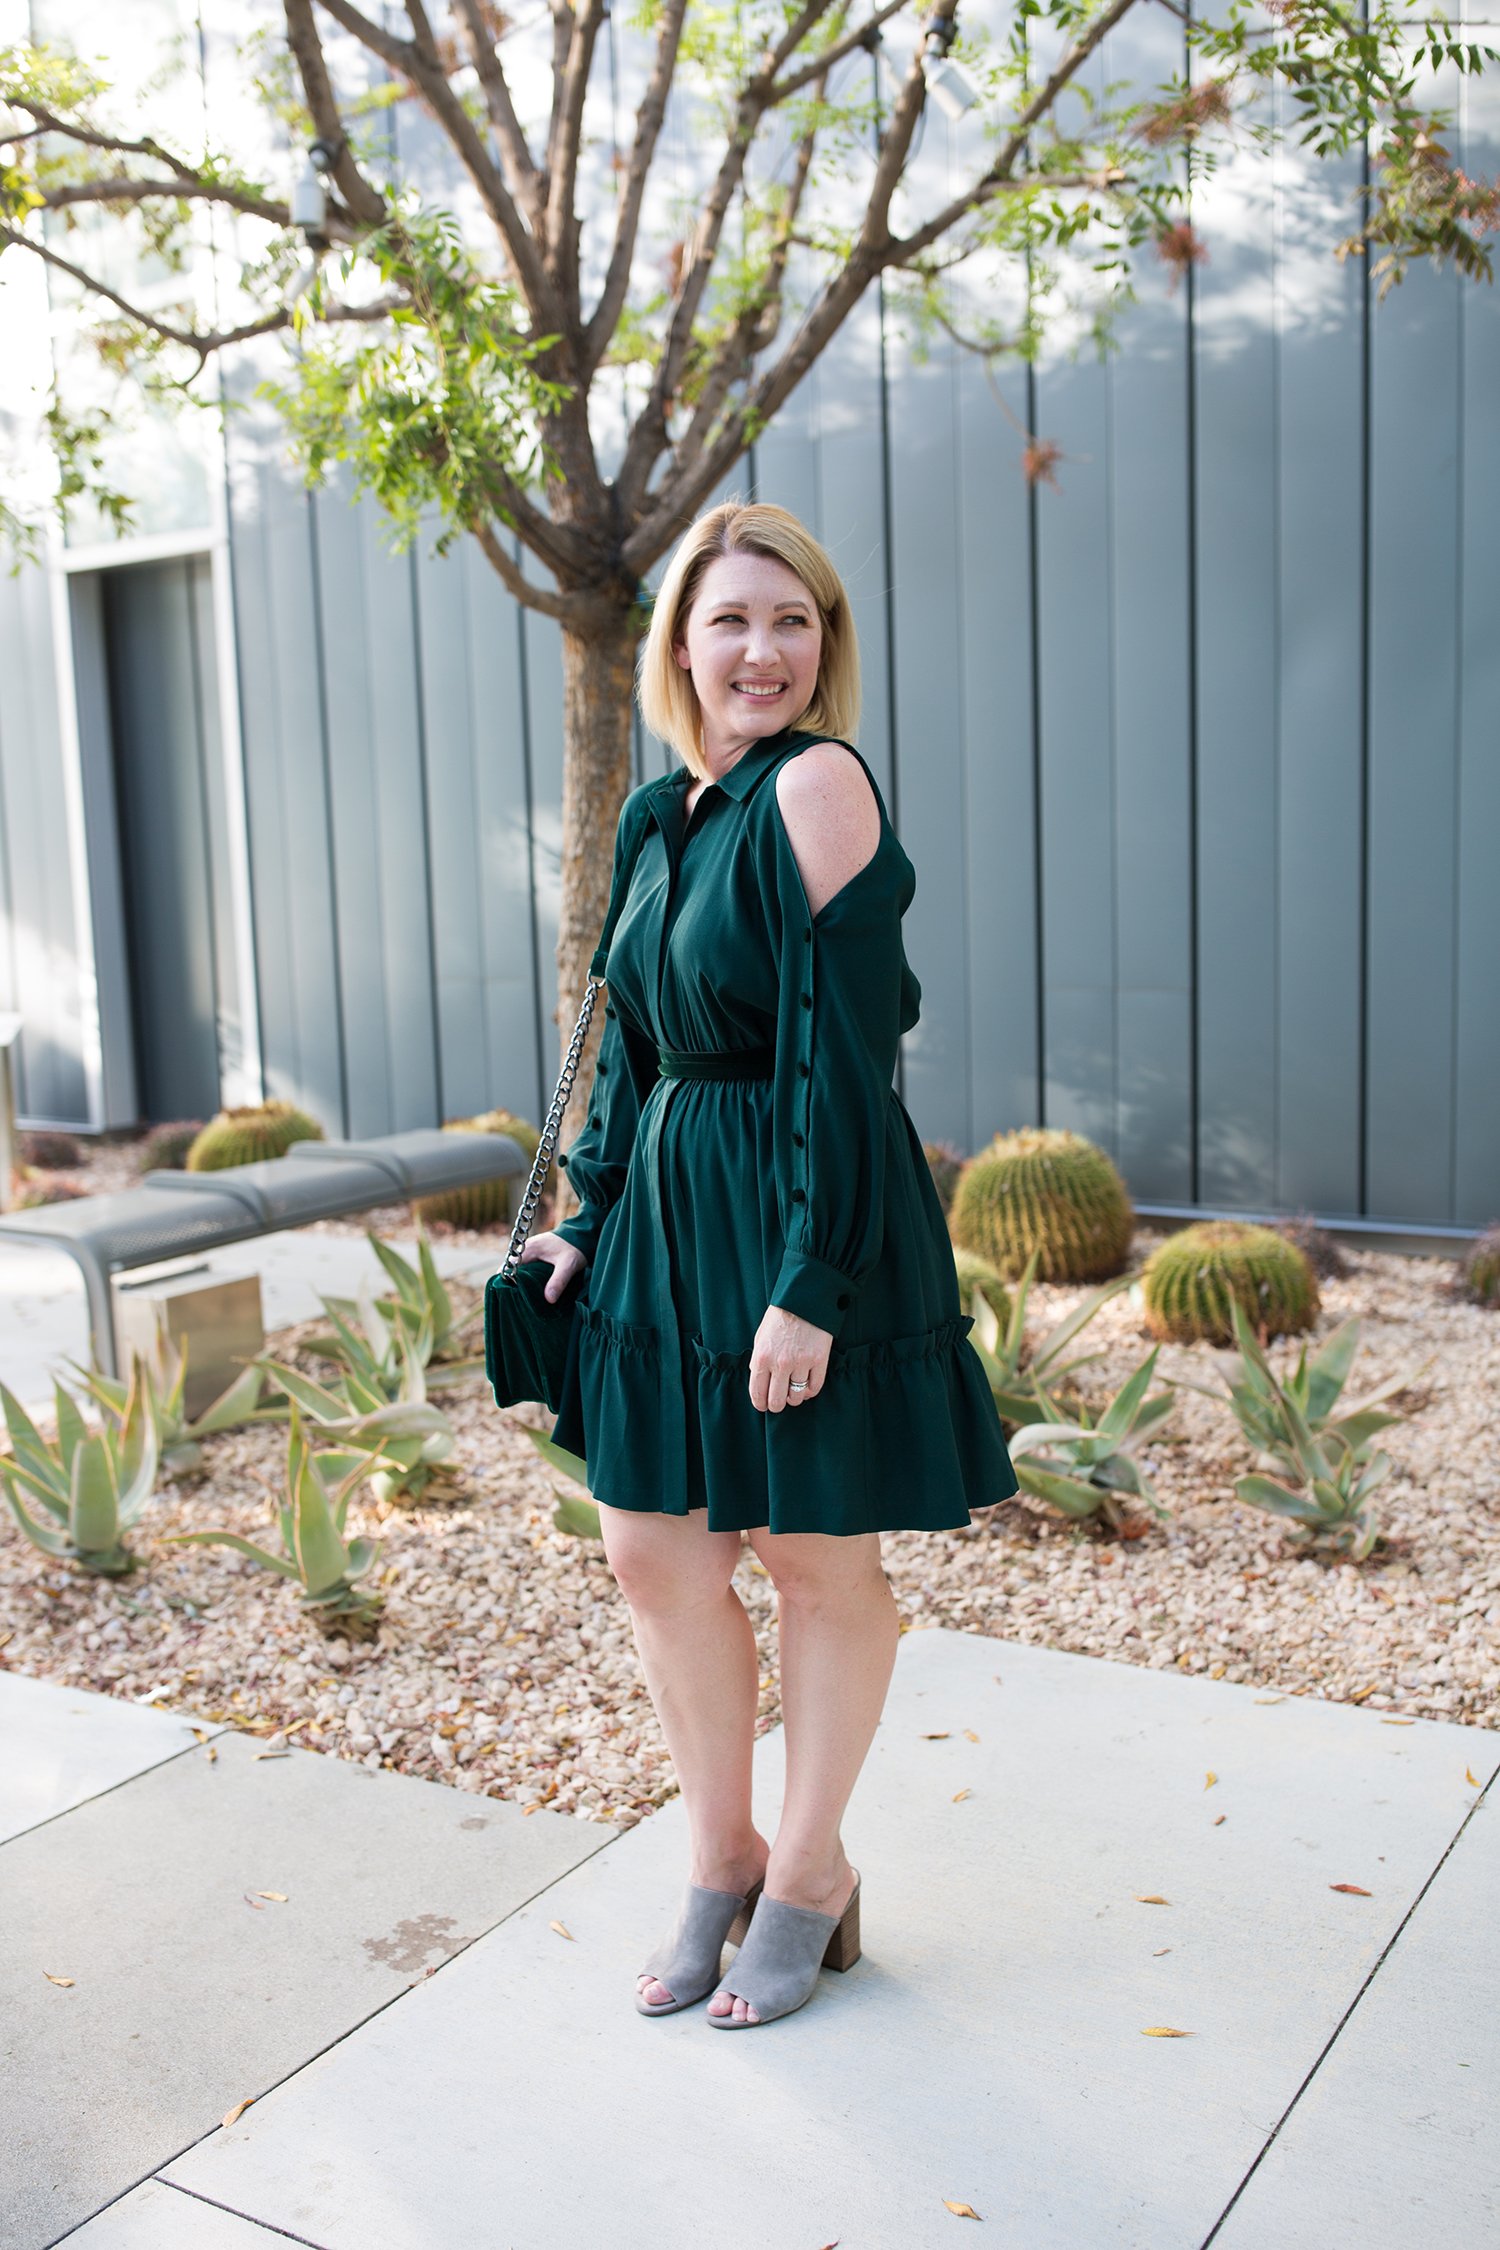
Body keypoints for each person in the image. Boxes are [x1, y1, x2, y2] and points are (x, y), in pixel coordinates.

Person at [518, 500, 1017, 2028]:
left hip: (805, 1215)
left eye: (793, 621)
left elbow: (847, 1064)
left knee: (813, 1556)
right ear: (680, 644)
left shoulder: (820, 785)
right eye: (732, 620)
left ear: (826, 644)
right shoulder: (661, 812)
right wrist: (586, 1213)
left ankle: (807, 1872)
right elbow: (633, 1044)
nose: (764, 649)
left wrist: (813, 1278)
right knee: (653, 1550)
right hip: (667, 1225)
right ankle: (720, 1850)